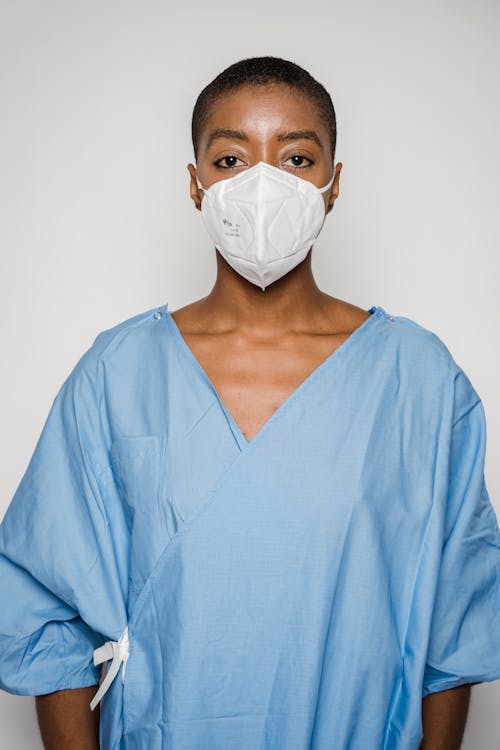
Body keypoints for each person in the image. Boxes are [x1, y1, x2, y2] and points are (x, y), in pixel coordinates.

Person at [0, 55, 499, 750]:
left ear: (332, 184)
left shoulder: (417, 378)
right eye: (231, 157)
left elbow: (453, 625)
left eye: (296, 156)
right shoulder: (118, 374)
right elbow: (50, 615)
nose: (263, 185)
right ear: (196, 185)